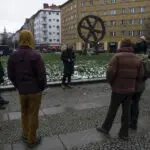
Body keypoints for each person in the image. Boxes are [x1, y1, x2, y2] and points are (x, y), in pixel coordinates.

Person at [96, 39, 144, 140]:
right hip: (130, 89)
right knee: (126, 112)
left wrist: (110, 82)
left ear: (121, 45)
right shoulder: (137, 58)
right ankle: (124, 134)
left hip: (118, 88)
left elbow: (110, 71)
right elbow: (141, 75)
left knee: (112, 109)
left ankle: (105, 128)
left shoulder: (117, 57)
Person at [7, 30, 47, 148]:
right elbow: (41, 75)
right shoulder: (36, 55)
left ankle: (25, 134)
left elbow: (10, 74)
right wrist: (41, 87)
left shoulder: (13, 55)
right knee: (33, 114)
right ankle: (32, 139)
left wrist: (18, 85)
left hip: (22, 91)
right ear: (31, 39)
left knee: (24, 113)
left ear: (20, 39)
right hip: (34, 92)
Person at [130, 54, 150, 130]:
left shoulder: (133, 60)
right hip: (141, 86)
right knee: (135, 103)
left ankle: (130, 121)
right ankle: (134, 122)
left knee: (129, 103)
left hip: (132, 85)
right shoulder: (145, 60)